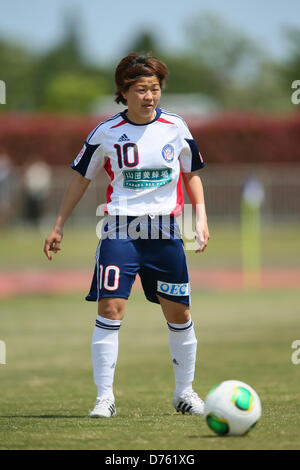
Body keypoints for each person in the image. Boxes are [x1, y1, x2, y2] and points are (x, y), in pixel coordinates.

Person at [43, 52, 210, 418]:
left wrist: (200, 217)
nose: (149, 96)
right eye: (141, 89)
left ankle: (185, 393)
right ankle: (104, 398)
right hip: (120, 228)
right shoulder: (105, 132)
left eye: (155, 89)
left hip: (165, 231)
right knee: (110, 308)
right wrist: (58, 225)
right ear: (124, 91)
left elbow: (192, 172)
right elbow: (81, 179)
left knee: (179, 314)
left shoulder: (177, 127)